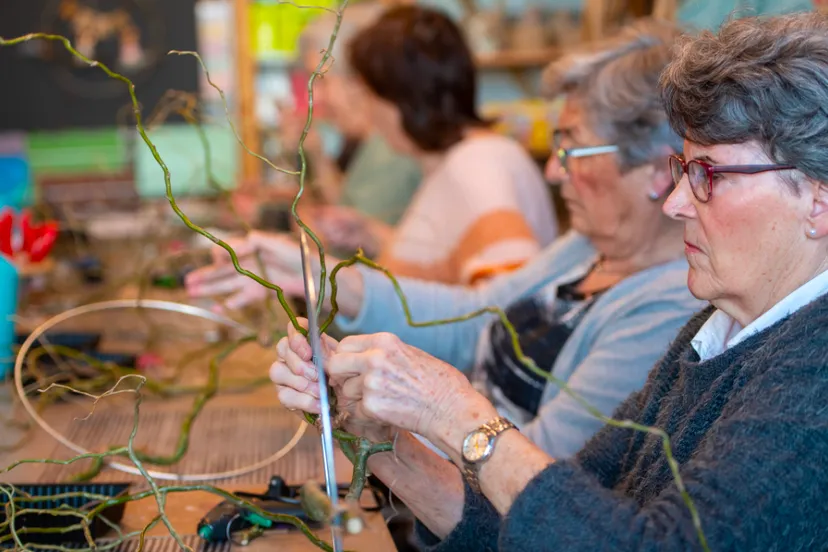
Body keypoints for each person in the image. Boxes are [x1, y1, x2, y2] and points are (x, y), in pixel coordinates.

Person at [270, 12, 828, 550]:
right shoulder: (712, 332)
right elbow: (539, 520)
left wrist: (451, 411)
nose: (675, 202)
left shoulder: (813, 378)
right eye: (683, 170)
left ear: (818, 200)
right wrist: (378, 439)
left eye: (707, 174)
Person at [188, 19, 703, 458]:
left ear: (657, 172)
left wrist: (377, 425)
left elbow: (536, 468)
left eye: (572, 150)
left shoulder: (666, 310)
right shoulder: (591, 246)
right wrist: (319, 278)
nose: (552, 170)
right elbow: (476, 316)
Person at [301, 5, 558, 284]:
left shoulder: (478, 168)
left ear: (398, 99)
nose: (369, 110)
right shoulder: (460, 161)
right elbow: (451, 261)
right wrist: (372, 235)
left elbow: (510, 296)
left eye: (369, 93)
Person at [278, 2, 423, 227]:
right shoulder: (367, 143)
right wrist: (315, 155)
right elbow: (347, 207)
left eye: (322, 81)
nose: (315, 97)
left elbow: (349, 239)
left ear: (357, 82)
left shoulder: (392, 147)